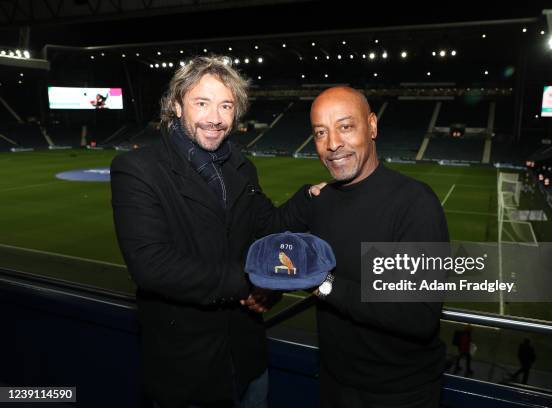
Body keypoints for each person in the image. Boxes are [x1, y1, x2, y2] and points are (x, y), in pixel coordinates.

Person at [111, 55, 315, 408]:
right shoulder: (138, 168)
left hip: (247, 359)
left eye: (226, 106)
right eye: (201, 103)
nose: (215, 118)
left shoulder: (241, 166)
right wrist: (251, 280)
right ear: (176, 105)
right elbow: (151, 265)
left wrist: (311, 197)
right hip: (187, 371)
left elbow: (269, 227)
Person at [280, 86, 450, 407]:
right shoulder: (319, 200)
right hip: (333, 383)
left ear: (372, 126)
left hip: (399, 394)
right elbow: (264, 234)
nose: (332, 144)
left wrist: (323, 283)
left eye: (345, 127)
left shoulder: (415, 203)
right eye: (320, 132)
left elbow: (418, 315)